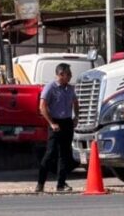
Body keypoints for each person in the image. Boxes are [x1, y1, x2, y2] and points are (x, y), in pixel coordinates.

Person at [36, 63, 80, 193]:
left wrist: (76, 117)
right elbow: (42, 106)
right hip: (55, 122)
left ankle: (61, 183)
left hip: (67, 122)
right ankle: (40, 183)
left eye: (70, 74)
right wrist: (51, 122)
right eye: (68, 74)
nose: (70, 77)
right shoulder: (51, 87)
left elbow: (75, 102)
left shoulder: (70, 89)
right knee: (50, 153)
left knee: (65, 154)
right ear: (61, 74)